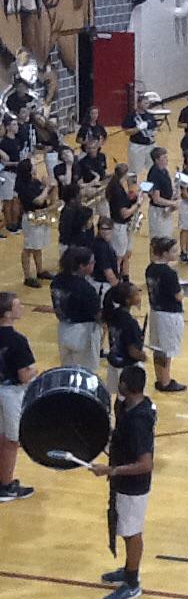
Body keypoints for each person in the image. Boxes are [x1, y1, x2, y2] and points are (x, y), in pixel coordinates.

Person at [92, 365, 156, 599]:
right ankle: (128, 569)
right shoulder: (131, 406)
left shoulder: (139, 421)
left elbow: (146, 464)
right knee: (126, 528)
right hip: (123, 482)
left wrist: (111, 470)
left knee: (132, 532)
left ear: (125, 386)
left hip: (134, 485)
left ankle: (132, 582)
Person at [0, 292, 37, 502]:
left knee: (1, 437)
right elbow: (24, 376)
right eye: (17, 305)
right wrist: (34, 372)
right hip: (11, 394)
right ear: (7, 314)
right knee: (12, 440)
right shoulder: (17, 341)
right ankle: (6, 486)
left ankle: (2, 480)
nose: (21, 308)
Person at [145, 237, 186, 392]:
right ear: (164, 253)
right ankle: (166, 381)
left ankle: (159, 378)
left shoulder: (150, 269)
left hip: (155, 311)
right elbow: (177, 295)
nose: (176, 253)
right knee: (167, 349)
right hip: (169, 314)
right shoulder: (169, 273)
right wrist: (183, 292)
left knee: (158, 348)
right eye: (173, 251)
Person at [51, 246, 102, 372]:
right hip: (84, 332)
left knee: (67, 369)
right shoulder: (86, 289)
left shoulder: (57, 281)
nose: (94, 264)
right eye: (91, 262)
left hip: (63, 328)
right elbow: (98, 315)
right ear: (81, 266)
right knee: (86, 372)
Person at [16, 159, 56, 288]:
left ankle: (40, 271)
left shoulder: (34, 181)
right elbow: (37, 201)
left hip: (41, 215)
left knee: (37, 246)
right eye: (33, 166)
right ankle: (27, 276)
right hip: (31, 217)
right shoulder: (23, 186)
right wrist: (47, 188)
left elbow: (45, 196)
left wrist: (48, 187)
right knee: (29, 247)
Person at [103, 282, 146, 396]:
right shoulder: (130, 323)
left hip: (115, 360)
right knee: (128, 398)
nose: (139, 296)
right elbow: (132, 351)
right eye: (136, 294)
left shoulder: (113, 314)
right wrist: (143, 356)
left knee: (119, 396)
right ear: (128, 301)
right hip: (127, 368)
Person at [144, 147, 177, 240]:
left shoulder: (164, 170)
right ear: (156, 160)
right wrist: (172, 203)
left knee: (167, 238)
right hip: (158, 212)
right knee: (159, 240)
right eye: (164, 158)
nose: (166, 160)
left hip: (166, 210)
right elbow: (156, 199)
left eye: (166, 157)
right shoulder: (154, 174)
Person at [122, 96, 157, 178]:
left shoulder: (150, 115)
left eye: (148, 103)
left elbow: (155, 128)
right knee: (134, 170)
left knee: (152, 168)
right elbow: (127, 132)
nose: (147, 105)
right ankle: (132, 189)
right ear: (138, 103)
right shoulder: (131, 116)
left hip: (150, 145)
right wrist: (138, 128)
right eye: (145, 103)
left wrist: (154, 132)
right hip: (137, 146)